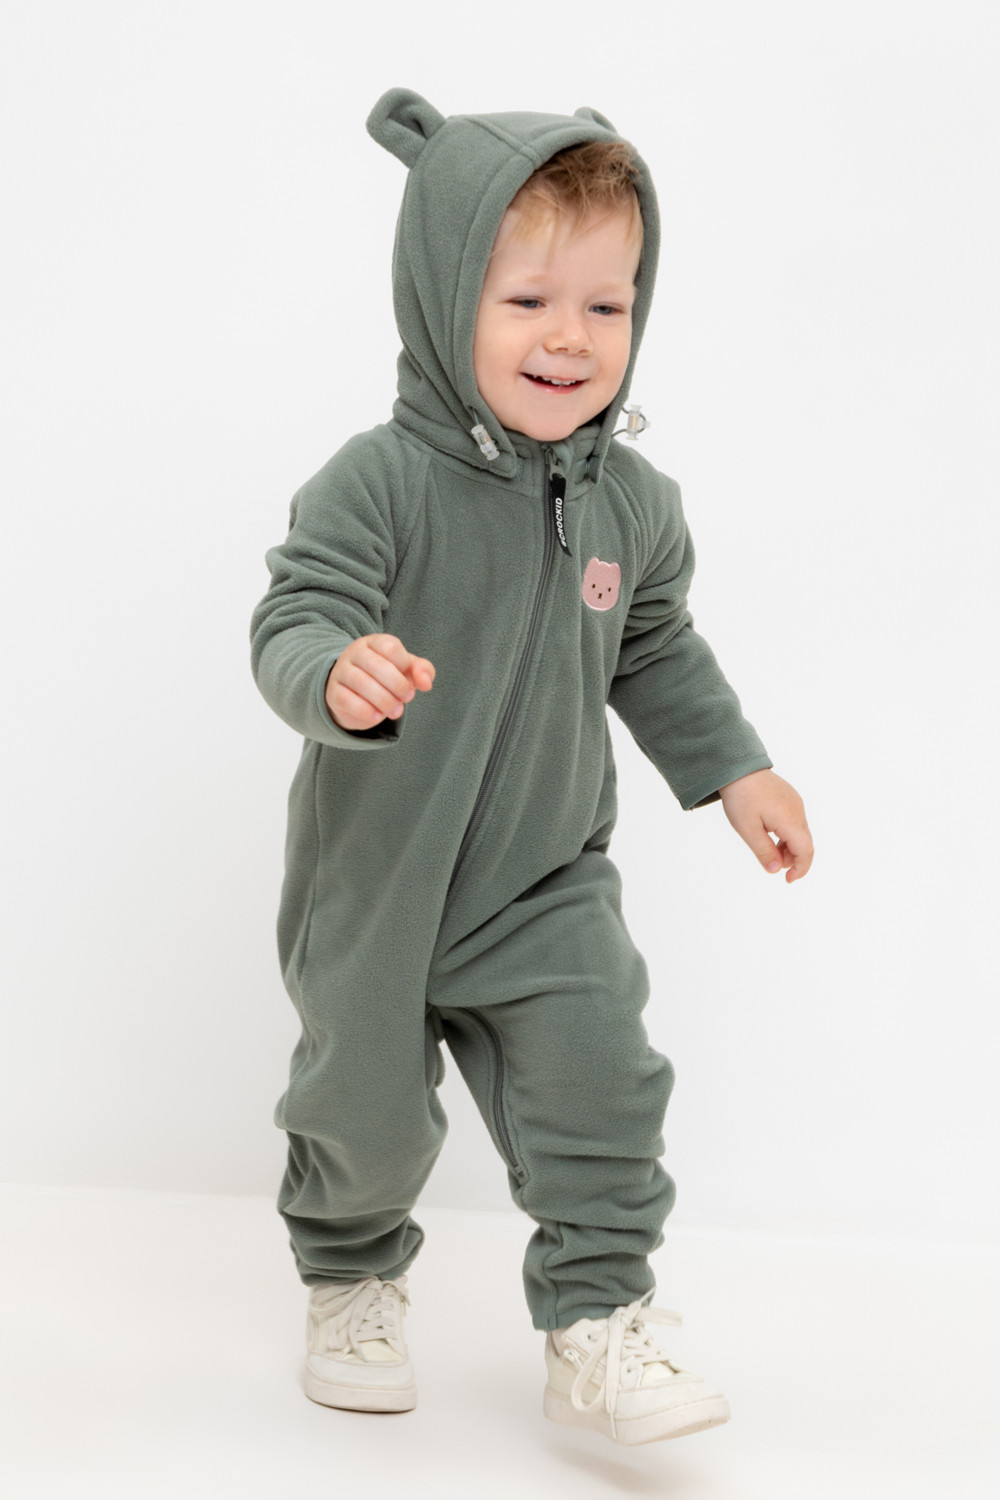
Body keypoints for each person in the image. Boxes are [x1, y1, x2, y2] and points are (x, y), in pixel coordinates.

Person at [249, 87, 813, 1447]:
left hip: (544, 880)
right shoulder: (378, 482)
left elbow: (655, 650)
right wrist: (335, 672)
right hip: (379, 878)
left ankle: (599, 1320)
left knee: (604, 1081)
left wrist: (737, 769)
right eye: (526, 302)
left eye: (606, 305)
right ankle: (351, 1274)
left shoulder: (635, 507)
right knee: (363, 1117)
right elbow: (296, 614)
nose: (570, 337)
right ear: (445, 300)